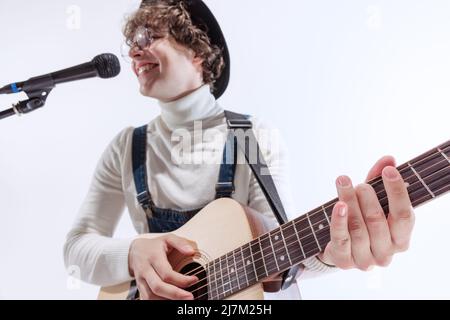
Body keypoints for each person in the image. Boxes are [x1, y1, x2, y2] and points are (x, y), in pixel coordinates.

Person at [63, 0, 415, 300]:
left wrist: (332, 253)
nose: (134, 52)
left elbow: (280, 251)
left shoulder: (249, 136)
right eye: (132, 43)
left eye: (148, 37)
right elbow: (76, 248)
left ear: (197, 53)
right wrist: (132, 252)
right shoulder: (126, 146)